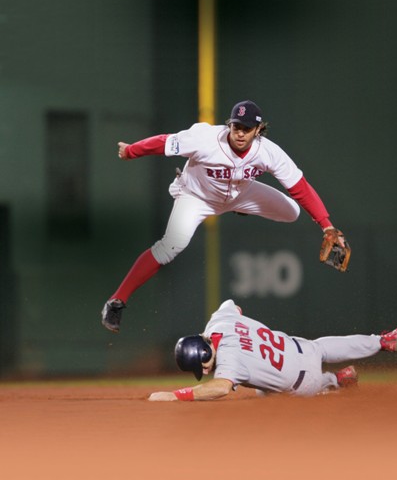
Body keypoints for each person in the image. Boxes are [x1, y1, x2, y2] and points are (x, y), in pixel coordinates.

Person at [101, 100, 346, 332]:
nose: (240, 133)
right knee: (171, 246)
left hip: (241, 195)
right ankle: (116, 301)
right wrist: (131, 151)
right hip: (196, 197)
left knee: (292, 211)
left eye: (247, 128)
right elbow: (164, 143)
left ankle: (240, 208)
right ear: (229, 124)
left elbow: (299, 186)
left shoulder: (268, 152)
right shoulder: (204, 138)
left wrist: (327, 226)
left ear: (258, 129)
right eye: (236, 126)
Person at [148, 299, 397, 401]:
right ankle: (380, 341)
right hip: (300, 347)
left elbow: (220, 388)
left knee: (267, 396)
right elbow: (233, 306)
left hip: (302, 383)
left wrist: (175, 396)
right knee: (320, 347)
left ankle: (334, 381)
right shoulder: (220, 321)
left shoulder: (229, 361)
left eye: (200, 366)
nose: (204, 370)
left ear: (204, 354)